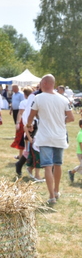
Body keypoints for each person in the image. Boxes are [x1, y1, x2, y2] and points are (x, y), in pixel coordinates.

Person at [26, 74, 74, 205]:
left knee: (47, 166)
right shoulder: (63, 99)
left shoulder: (38, 98)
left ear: (45, 83)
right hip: (59, 136)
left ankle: (51, 196)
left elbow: (31, 116)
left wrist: (29, 126)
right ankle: (56, 190)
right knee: (58, 164)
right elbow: (71, 118)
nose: (40, 85)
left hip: (45, 136)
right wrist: (60, 121)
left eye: (41, 82)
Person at [68, 119, 82, 184]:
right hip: (80, 152)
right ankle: (71, 172)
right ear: (81, 126)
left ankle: (71, 172)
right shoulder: (80, 133)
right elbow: (81, 144)